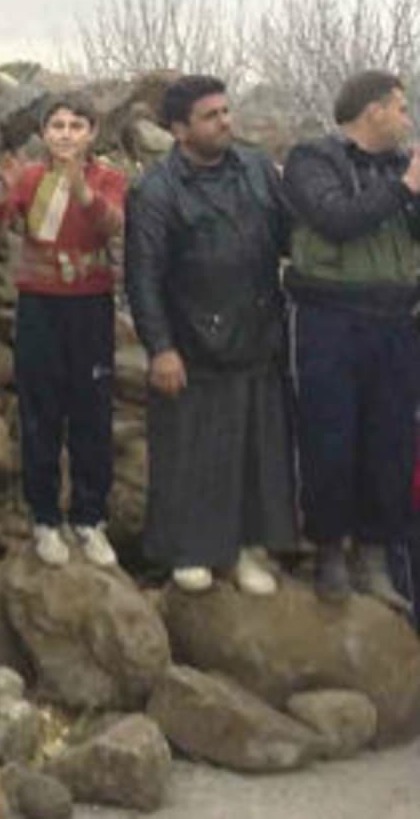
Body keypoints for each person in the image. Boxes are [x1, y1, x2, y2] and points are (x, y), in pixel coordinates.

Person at [124, 75, 295, 596]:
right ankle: (190, 551)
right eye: (211, 115)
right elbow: (143, 276)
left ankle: (247, 549)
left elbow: (291, 236)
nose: (225, 122)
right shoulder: (155, 190)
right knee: (191, 451)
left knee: (255, 448)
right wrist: (161, 348)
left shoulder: (258, 169)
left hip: (258, 330)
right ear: (179, 129)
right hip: (191, 340)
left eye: (226, 111)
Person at [280, 69, 420, 607]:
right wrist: (405, 187)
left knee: (390, 442)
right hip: (329, 319)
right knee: (329, 437)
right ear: (374, 110)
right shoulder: (312, 161)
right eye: (402, 108)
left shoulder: (396, 168)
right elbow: (336, 219)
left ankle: (375, 556)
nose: (407, 120)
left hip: (393, 320)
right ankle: (329, 552)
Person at [0, 94, 127, 569]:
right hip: (40, 304)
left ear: (92, 133)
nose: (66, 134)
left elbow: (111, 225)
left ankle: (90, 518)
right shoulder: (29, 178)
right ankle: (45, 518)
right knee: (40, 411)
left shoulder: (108, 179)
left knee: (93, 410)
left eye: (76, 125)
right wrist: (1, 196)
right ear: (45, 134)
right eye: (57, 125)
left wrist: (79, 185)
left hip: (91, 304)